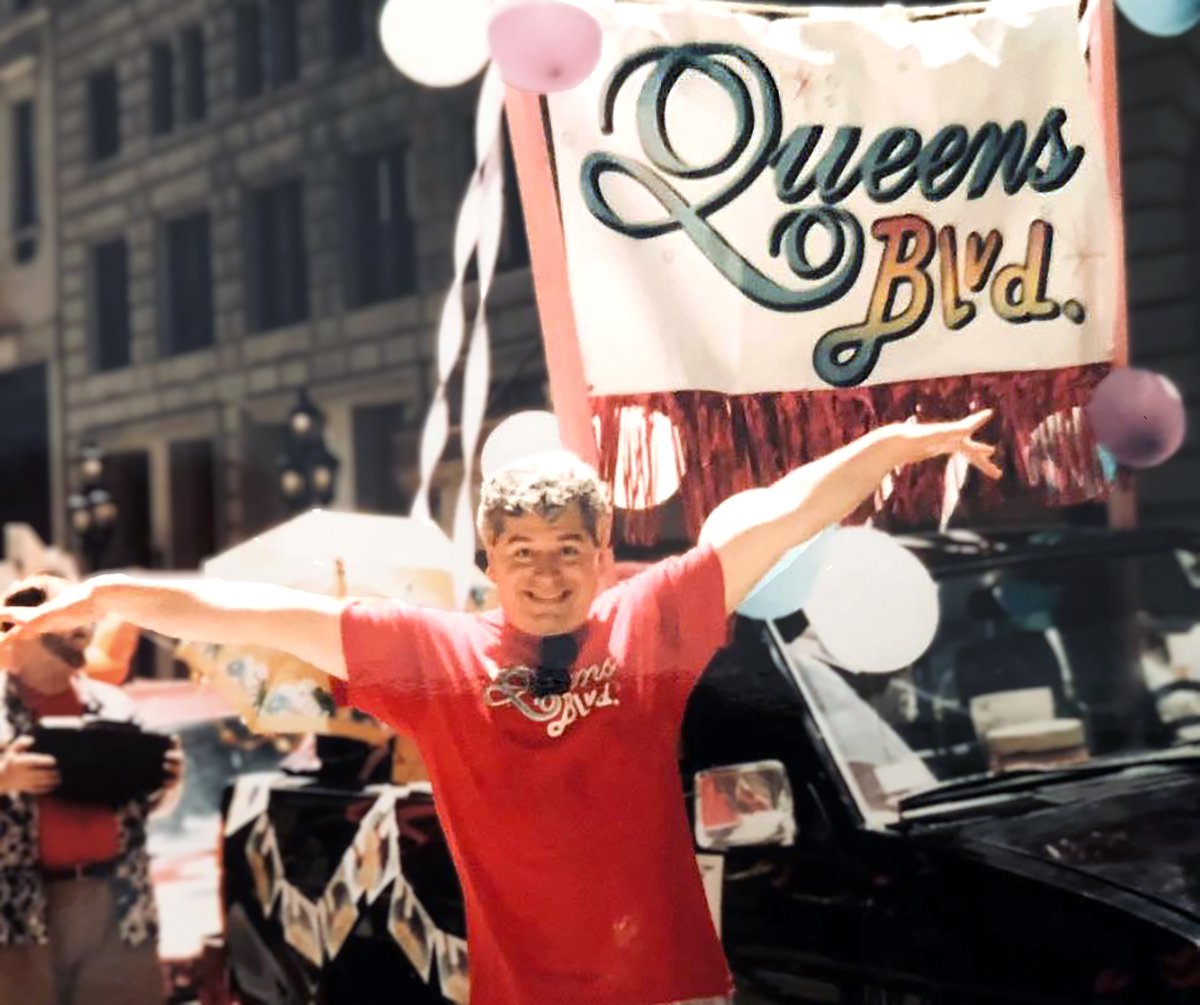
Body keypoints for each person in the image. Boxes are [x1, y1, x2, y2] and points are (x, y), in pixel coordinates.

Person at [0, 412, 999, 1005]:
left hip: (672, 988)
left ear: (603, 556)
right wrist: (106, 595)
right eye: (522, 551)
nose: (547, 572)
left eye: (569, 549)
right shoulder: (433, 657)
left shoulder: (651, 622)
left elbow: (781, 516)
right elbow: (256, 611)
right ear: (490, 561)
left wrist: (892, 445)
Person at [0, 573, 184, 1005]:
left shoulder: (116, 705)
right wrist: (4, 778)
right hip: (16, 912)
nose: (84, 626)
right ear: (21, 624)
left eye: (85, 614)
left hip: (117, 906)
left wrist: (165, 782)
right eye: (68, 615)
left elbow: (147, 807)